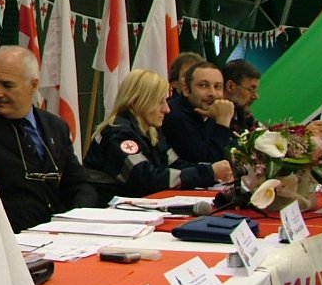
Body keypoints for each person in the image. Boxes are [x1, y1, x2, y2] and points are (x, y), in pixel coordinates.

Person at [0, 45, 96, 231]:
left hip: (61, 237)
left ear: (33, 85)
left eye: (7, 85)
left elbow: (78, 184)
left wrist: (77, 220)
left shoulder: (56, 126)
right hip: (12, 240)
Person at [84, 69, 233, 204]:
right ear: (138, 100)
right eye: (159, 102)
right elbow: (146, 180)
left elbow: (176, 165)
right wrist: (209, 173)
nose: (167, 109)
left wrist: (214, 170)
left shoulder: (152, 132)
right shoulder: (118, 133)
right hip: (107, 213)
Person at [160, 60, 238, 164]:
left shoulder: (211, 111)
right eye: (203, 85)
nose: (212, 93)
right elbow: (208, 163)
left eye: (217, 87)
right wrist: (223, 122)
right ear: (186, 90)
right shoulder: (175, 116)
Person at [222, 59, 262, 134]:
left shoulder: (245, 116)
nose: (256, 96)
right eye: (251, 89)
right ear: (230, 86)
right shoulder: (213, 120)